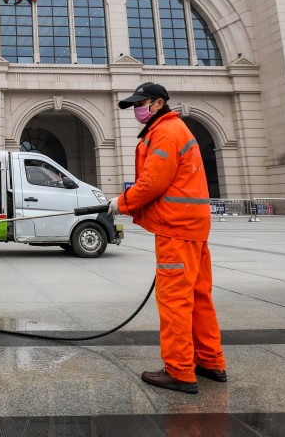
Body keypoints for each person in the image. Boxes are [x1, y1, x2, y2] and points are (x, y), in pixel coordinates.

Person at [110, 82, 226, 395]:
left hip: (176, 228)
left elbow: (152, 183)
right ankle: (209, 360)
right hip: (194, 227)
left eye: (141, 103)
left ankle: (179, 371)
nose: (137, 110)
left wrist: (120, 203)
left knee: (175, 299)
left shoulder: (165, 132)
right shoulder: (176, 129)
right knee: (199, 295)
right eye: (134, 105)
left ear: (159, 103)